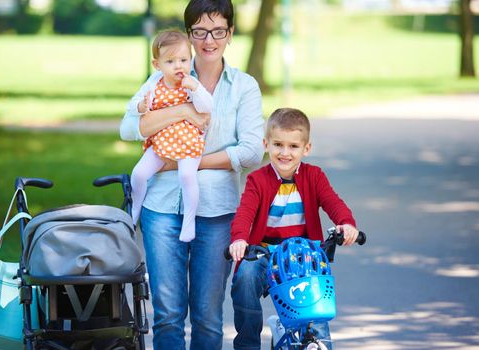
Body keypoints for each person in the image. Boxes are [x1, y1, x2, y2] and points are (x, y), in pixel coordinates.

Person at [119, 0, 264, 348]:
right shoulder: (164, 76)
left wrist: (190, 160)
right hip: (163, 208)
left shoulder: (244, 87)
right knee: (167, 315)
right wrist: (183, 109)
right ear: (189, 35)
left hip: (217, 213)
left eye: (217, 31)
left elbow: (252, 151)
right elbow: (127, 128)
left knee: (208, 317)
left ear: (230, 33)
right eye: (199, 31)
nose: (208, 40)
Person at [227, 108, 360, 350]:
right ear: (266, 144)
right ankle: (247, 343)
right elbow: (244, 213)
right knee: (245, 277)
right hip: (265, 254)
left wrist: (347, 224)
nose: (285, 153)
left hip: (303, 257)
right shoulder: (257, 180)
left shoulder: (314, 176)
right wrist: (239, 239)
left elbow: (333, 202)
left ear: (306, 148)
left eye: (293, 146)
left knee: (315, 302)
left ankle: (319, 344)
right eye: (278, 144)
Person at [128, 29, 213, 242]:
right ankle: (134, 210)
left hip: (188, 142)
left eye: (184, 60)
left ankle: (189, 221)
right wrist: (141, 105)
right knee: (138, 173)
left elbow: (207, 107)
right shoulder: (153, 84)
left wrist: (196, 89)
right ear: (157, 65)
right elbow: (131, 105)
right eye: (170, 61)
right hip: (161, 143)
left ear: (190, 60)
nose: (178, 66)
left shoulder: (191, 83)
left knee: (187, 176)